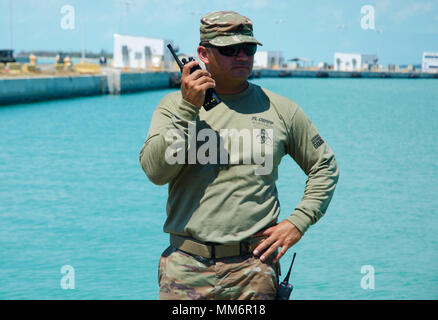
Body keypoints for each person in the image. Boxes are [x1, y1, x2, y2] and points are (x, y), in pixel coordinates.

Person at [139, 11, 339, 300]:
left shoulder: (281, 109)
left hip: (254, 269)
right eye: (229, 49)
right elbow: (155, 172)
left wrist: (299, 221)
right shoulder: (173, 107)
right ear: (202, 54)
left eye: (248, 48)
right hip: (185, 269)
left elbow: (325, 165)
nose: (242, 56)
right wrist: (187, 108)